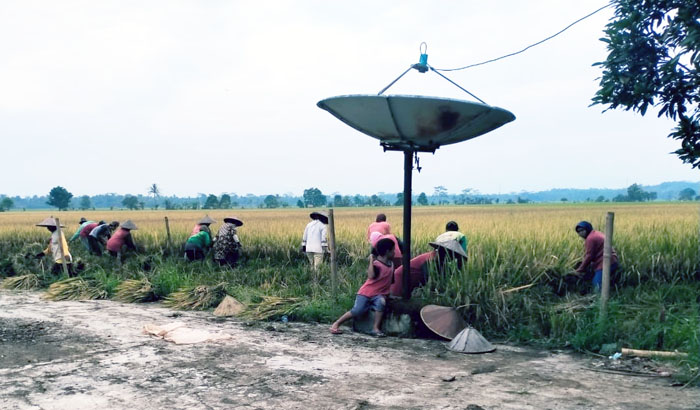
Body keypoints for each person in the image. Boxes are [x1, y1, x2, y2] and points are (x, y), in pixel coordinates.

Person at [330, 237, 395, 337]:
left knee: (381, 303)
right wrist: (371, 262)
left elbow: (390, 280)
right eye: (393, 250)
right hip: (366, 293)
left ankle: (375, 328)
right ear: (387, 251)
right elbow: (371, 276)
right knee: (357, 310)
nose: (395, 252)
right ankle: (337, 323)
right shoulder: (377, 264)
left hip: (379, 294)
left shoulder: (391, 265)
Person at [390, 238, 467, 297]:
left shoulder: (440, 260)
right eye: (453, 255)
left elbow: (448, 274)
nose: (453, 259)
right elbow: (428, 278)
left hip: (411, 282)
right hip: (401, 280)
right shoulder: (431, 259)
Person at [573, 221, 618, 289]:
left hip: (605, 263)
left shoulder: (590, 239)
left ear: (587, 229)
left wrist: (580, 269)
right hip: (611, 260)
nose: (580, 233)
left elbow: (589, 256)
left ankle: (599, 298)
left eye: (582, 230)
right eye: (578, 232)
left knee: (597, 285)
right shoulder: (595, 233)